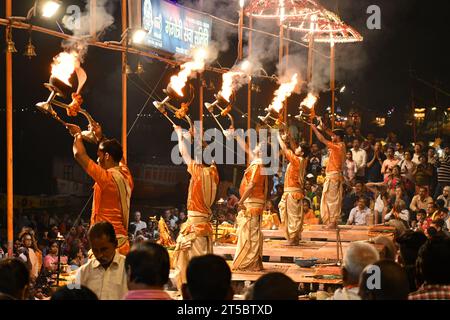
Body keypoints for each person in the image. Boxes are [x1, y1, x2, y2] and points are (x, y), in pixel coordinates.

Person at [66, 122, 134, 255]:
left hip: (107, 247)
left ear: (107, 156)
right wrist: (100, 137)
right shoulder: (126, 174)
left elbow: (79, 155)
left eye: (99, 155)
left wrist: (77, 135)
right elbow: (119, 156)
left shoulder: (106, 178)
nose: (97, 159)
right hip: (122, 243)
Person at [172, 125, 219, 288]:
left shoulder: (198, 171)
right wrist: (199, 140)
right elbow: (211, 158)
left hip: (195, 225)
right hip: (202, 225)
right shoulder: (214, 172)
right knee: (201, 263)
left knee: (195, 265)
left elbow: (183, 152)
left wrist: (180, 135)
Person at [230, 130, 268, 271]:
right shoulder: (256, 162)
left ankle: (249, 263)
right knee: (247, 232)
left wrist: (240, 202)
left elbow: (251, 185)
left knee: (250, 233)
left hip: (252, 203)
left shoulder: (258, 165)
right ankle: (249, 262)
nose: (255, 147)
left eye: (259, 146)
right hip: (251, 202)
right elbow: (246, 149)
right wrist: (236, 136)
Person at [75, 222, 128, 300]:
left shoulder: (129, 269)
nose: (99, 255)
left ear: (115, 244)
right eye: (95, 250)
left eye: (104, 249)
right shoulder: (83, 272)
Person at [277, 131, 309, 245]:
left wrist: (277, 136)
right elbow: (293, 148)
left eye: (299, 148)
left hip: (292, 192)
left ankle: (293, 239)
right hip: (293, 191)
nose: (297, 148)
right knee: (293, 216)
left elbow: (285, 150)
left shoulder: (296, 160)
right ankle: (294, 239)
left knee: (292, 217)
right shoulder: (303, 159)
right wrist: (289, 138)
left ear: (302, 152)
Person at [310, 124, 346, 229]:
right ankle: (332, 222)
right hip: (334, 175)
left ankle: (332, 222)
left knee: (331, 200)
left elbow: (322, 139)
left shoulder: (338, 146)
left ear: (338, 137)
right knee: (330, 199)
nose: (331, 137)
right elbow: (331, 134)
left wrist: (314, 129)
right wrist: (325, 128)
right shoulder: (341, 144)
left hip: (333, 176)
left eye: (333, 136)